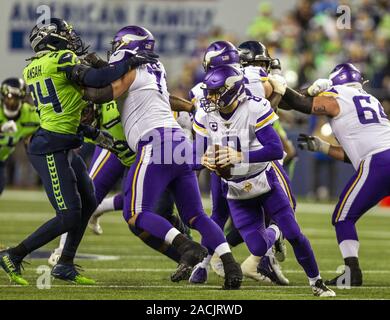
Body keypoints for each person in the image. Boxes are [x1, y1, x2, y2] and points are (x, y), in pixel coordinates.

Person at [0, 18, 156, 285]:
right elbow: (96, 79)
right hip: (50, 147)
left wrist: (93, 133)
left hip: (64, 140)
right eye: (65, 34)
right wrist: (130, 61)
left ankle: (65, 263)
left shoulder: (35, 68)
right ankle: (13, 254)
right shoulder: (60, 59)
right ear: (51, 39)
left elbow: (63, 110)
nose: (71, 37)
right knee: (69, 214)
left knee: (89, 201)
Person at [86, 25, 243, 289]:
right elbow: (135, 87)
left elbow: (102, 93)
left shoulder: (132, 70)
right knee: (196, 215)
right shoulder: (155, 68)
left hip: (154, 142)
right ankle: (230, 264)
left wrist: (76, 82)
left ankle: (186, 247)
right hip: (179, 143)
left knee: (135, 213)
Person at [193, 64, 335, 297]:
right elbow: (196, 153)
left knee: (294, 233)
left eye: (215, 92)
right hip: (236, 190)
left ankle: (316, 282)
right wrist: (203, 159)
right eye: (209, 92)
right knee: (257, 247)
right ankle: (273, 235)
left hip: (263, 181)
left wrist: (240, 156)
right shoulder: (205, 114)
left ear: (231, 90)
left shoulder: (254, 107)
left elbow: (275, 149)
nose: (209, 98)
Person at [277, 63, 390, 287]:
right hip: (380, 157)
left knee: (342, 216)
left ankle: (352, 273)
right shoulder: (370, 99)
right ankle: (352, 272)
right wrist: (322, 147)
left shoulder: (339, 93)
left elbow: (298, 103)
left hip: (378, 161)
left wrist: (298, 89)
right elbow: (353, 155)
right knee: (344, 216)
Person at [189, 40, 289, 285]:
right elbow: (266, 115)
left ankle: (202, 265)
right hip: (250, 157)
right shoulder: (251, 79)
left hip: (220, 157)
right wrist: (279, 91)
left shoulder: (202, 88)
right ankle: (265, 255)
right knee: (282, 212)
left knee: (218, 215)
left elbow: (197, 116)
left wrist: (200, 157)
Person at [0, 78, 39, 196]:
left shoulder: (30, 115)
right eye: (9, 97)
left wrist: (34, 139)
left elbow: (49, 127)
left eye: (15, 98)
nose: (11, 102)